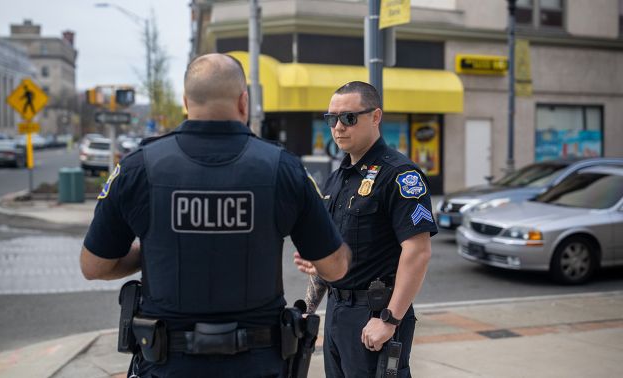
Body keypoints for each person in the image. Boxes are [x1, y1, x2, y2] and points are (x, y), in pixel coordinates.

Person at [80, 53, 351, 377]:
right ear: (243, 101)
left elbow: (94, 266)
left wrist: (152, 249)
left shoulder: (138, 167)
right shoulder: (284, 169)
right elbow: (334, 267)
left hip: (167, 365)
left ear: (185, 101)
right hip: (257, 365)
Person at [294, 81, 437, 378]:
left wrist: (389, 319)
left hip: (375, 313)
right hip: (337, 312)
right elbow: (331, 252)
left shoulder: (399, 174)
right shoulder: (337, 179)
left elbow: (418, 251)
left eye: (348, 117)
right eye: (331, 118)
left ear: (375, 117)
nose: (338, 127)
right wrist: (308, 310)